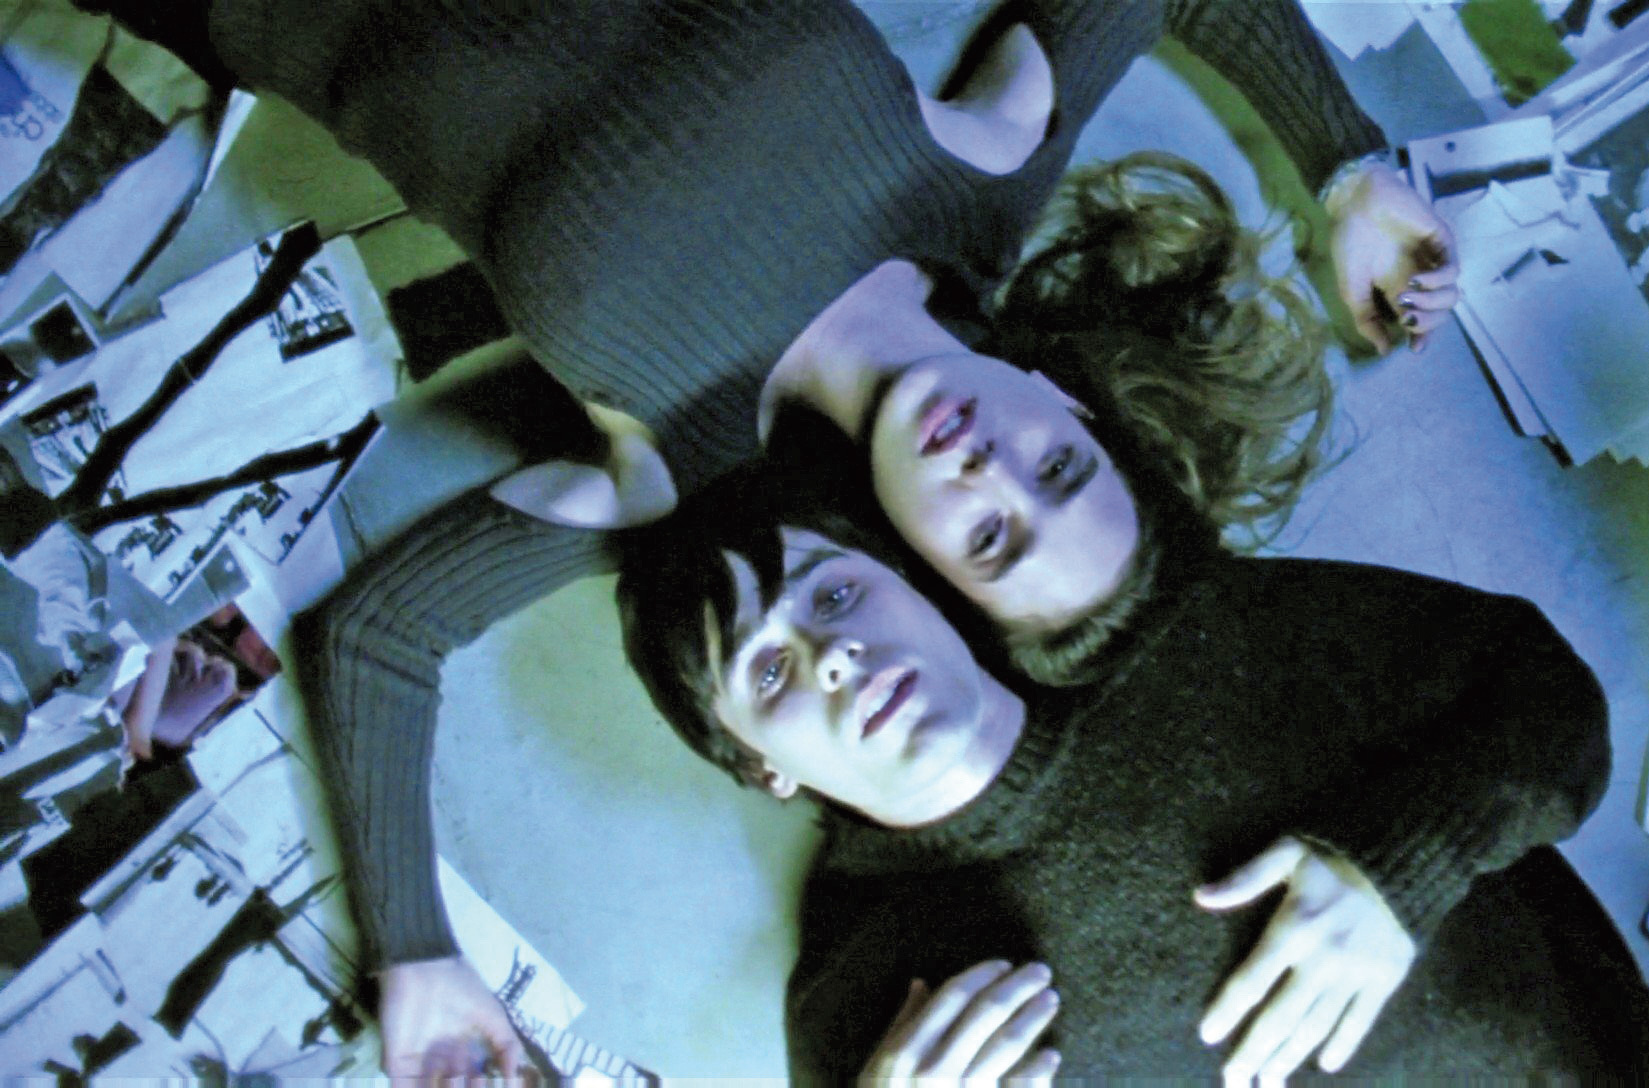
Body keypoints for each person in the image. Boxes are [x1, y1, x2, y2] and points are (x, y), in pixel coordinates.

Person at [85, 0, 1461, 1073]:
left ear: (928, 574)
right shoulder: (980, 175)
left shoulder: (689, 483)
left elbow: (381, 634)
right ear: (1072, 405)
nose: (991, 465)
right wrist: (1348, 169)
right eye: (1058, 465)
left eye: (991, 536)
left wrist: (415, 952)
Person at [618, 467, 1649, 1082]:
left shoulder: (1195, 639)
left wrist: (1401, 866)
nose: (832, 652)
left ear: (910, 581)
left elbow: (1543, 694)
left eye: (833, 592)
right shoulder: (864, 999)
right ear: (761, 766)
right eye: (769, 670)